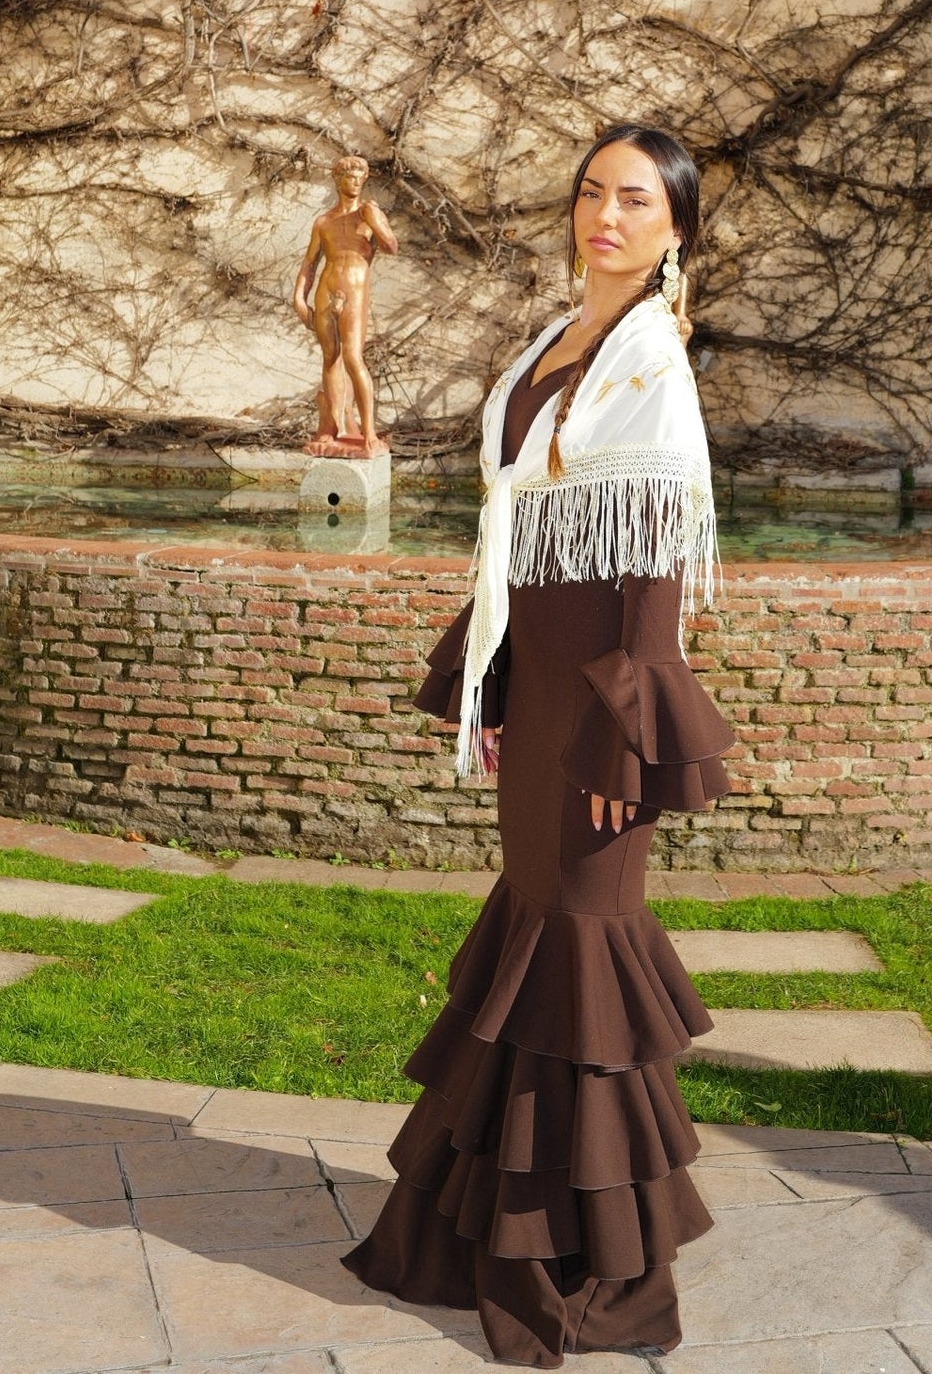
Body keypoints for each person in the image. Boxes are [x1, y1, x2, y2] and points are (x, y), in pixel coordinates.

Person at [342, 125, 735, 1367]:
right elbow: (521, 536)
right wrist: (492, 673)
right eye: (588, 193)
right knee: (538, 940)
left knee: (585, 960)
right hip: (541, 695)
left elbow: (649, 570)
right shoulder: (551, 343)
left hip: (599, 720)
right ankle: (477, 1235)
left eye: (632, 200)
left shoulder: (651, 364)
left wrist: (630, 750)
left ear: (673, 227)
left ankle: (599, 1270)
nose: (602, 215)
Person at [293, 154, 398, 455]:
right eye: (350, 176)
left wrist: (375, 221)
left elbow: (391, 246)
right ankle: (332, 427)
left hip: (354, 289)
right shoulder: (324, 221)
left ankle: (368, 432)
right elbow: (309, 264)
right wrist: (299, 297)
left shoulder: (367, 212)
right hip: (326, 289)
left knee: (353, 357)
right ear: (338, 181)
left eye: (361, 176)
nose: (356, 181)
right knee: (330, 357)